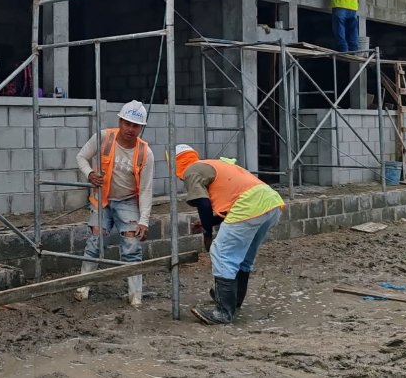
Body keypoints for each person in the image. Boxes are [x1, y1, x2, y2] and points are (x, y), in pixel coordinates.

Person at [174, 144, 284, 325]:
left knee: (221, 251)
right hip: (271, 202)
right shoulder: (212, 165)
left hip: (250, 204)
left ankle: (223, 312)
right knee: (244, 256)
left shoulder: (191, 170)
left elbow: (203, 203)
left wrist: (207, 233)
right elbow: (227, 209)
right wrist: (209, 222)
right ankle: (234, 299)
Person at [73, 100, 154, 306]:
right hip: (102, 199)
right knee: (95, 242)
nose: (130, 129)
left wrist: (144, 220)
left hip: (127, 201)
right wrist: (90, 173)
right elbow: (81, 157)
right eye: (126, 123)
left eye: (135, 125)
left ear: (141, 127)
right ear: (119, 121)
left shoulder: (145, 153)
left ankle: (135, 296)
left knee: (131, 245)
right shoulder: (103, 137)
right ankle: (83, 287)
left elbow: (145, 189)